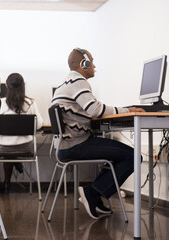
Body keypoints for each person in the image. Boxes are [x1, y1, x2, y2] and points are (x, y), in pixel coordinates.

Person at [50, 48, 144, 219]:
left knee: (118, 154)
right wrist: (127, 110)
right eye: (91, 61)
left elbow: (91, 109)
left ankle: (94, 195)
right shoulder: (79, 82)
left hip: (65, 145)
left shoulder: (65, 83)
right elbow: (95, 110)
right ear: (83, 64)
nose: (94, 65)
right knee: (133, 156)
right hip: (76, 145)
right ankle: (93, 193)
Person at [0, 73, 43, 194]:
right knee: (16, 147)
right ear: (23, 86)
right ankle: (15, 160)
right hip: (26, 148)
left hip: (2, 148)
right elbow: (38, 125)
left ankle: (7, 181)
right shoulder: (31, 103)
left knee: (8, 148)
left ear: (6, 85)